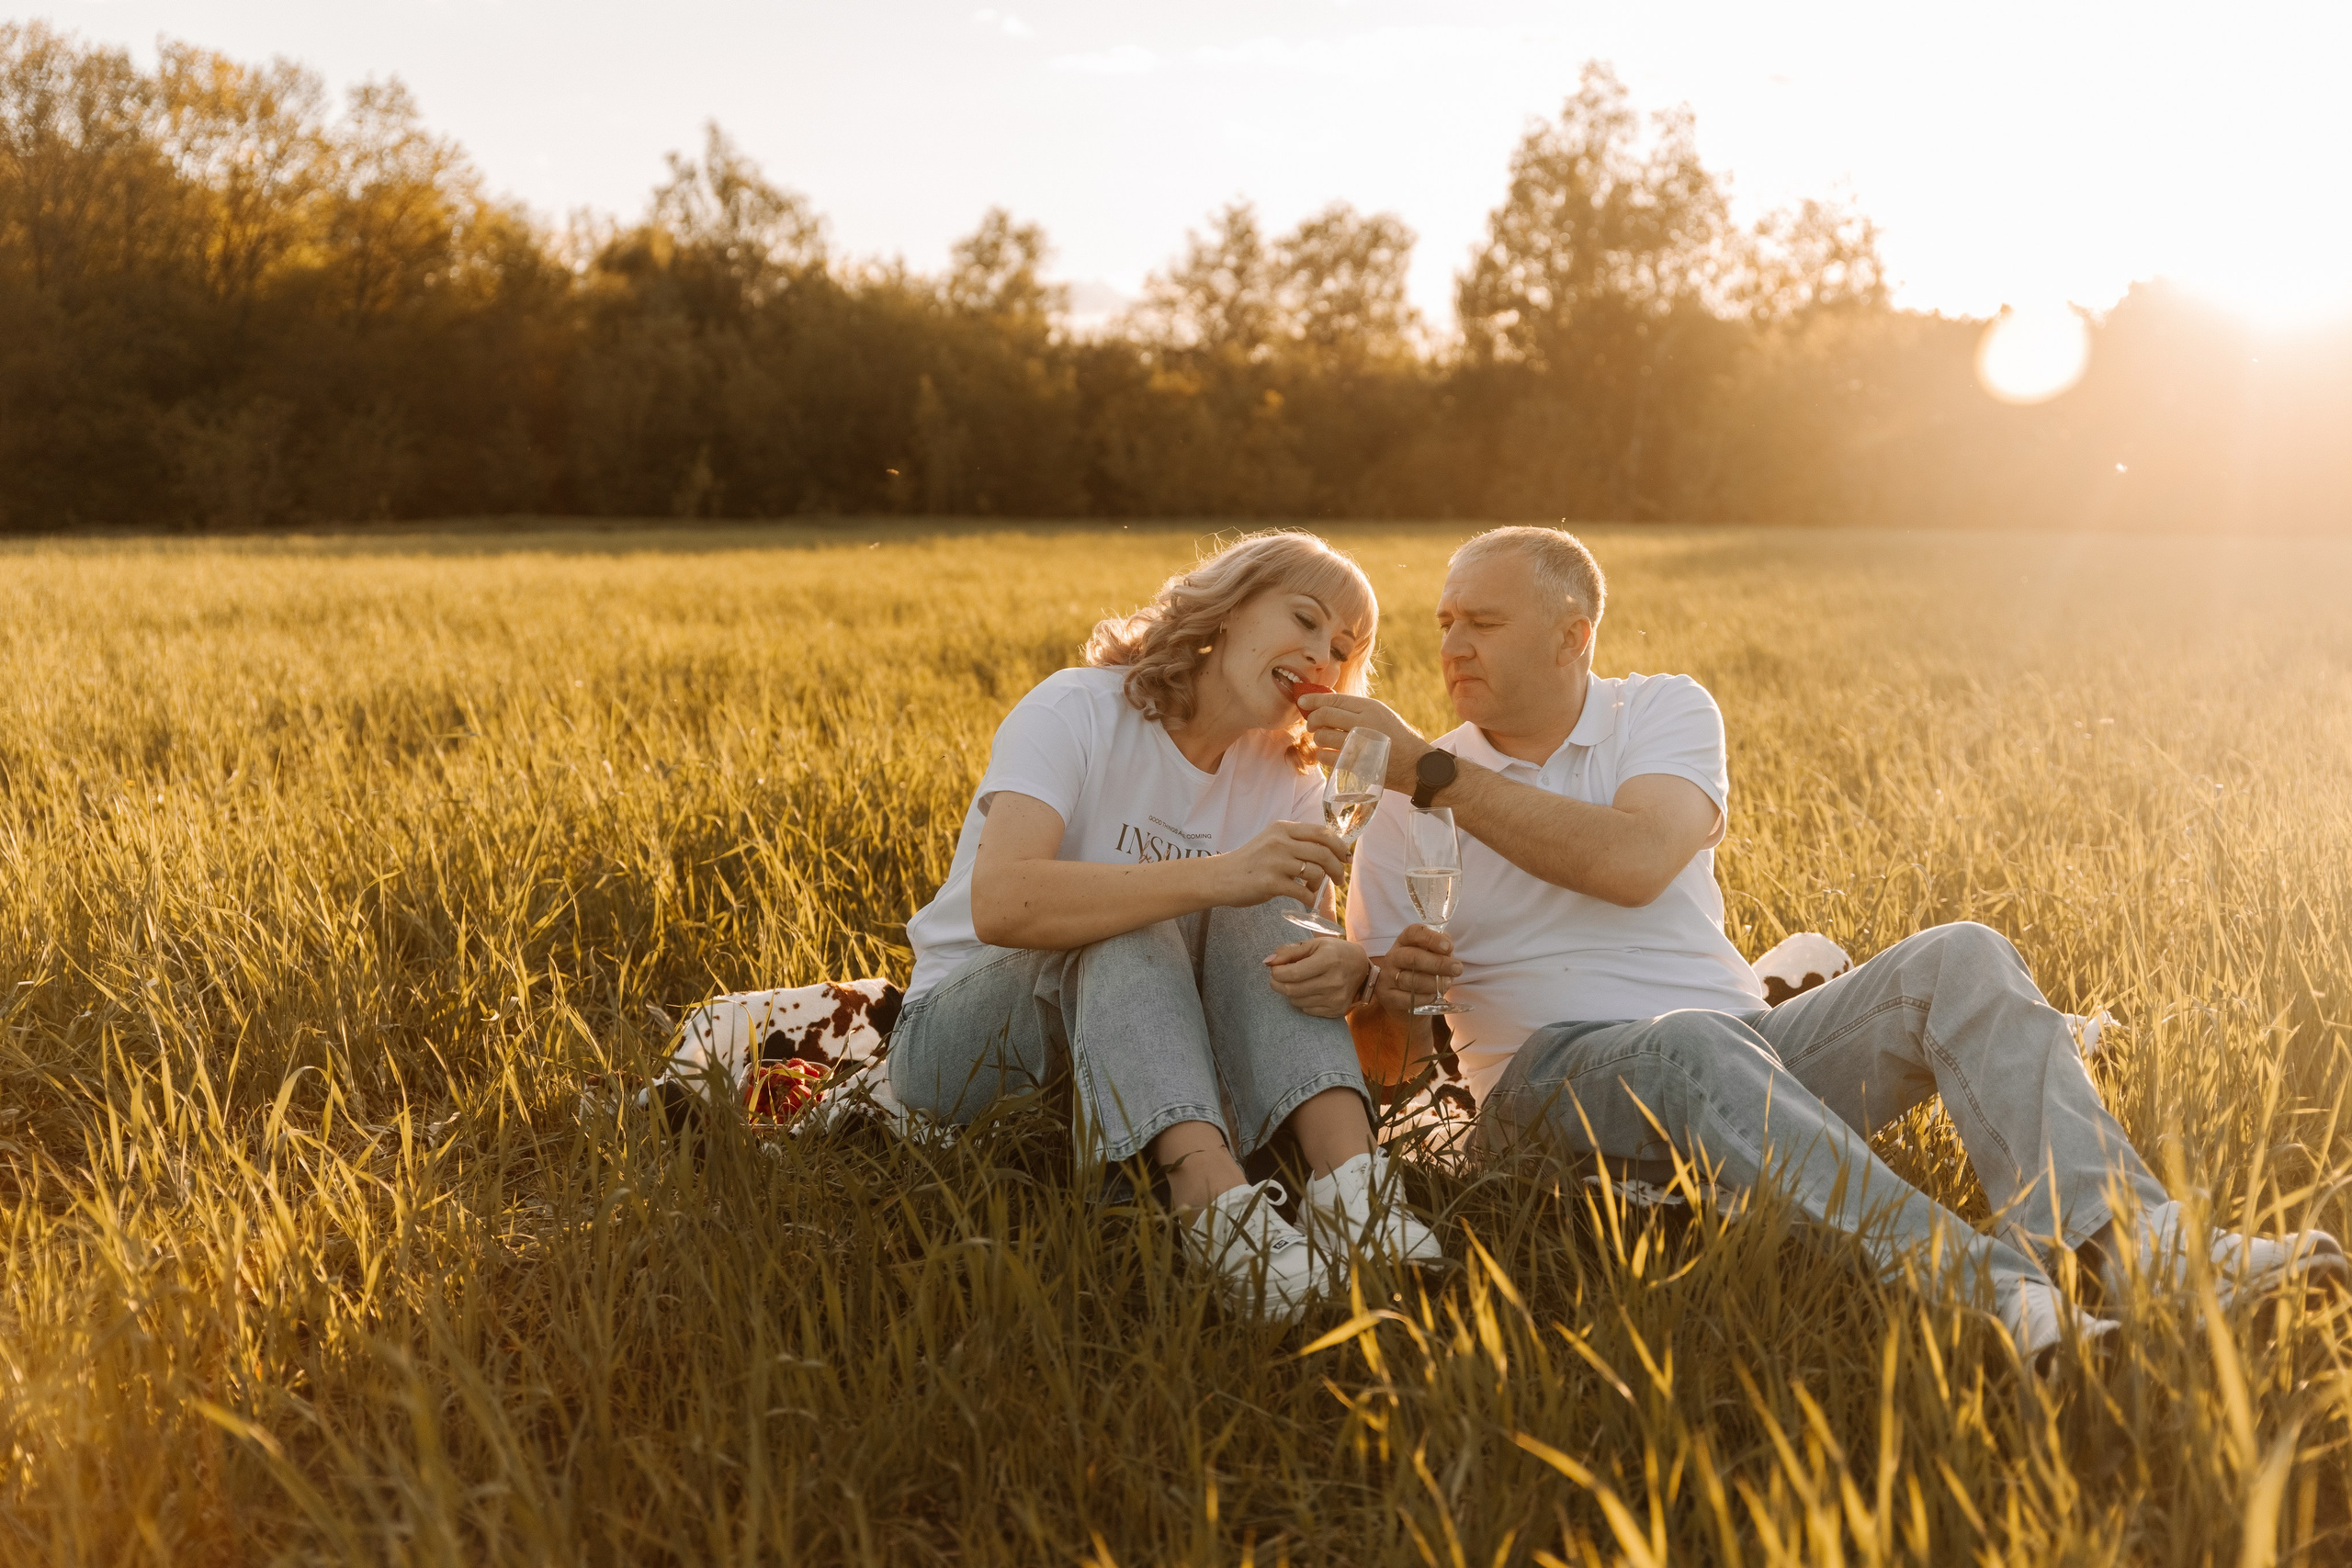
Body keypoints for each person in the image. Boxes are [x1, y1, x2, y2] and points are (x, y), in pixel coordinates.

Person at [1307, 525, 2343, 1367]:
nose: (1450, 646)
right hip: (1543, 1100)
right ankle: (1999, 1302)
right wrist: (1390, 986)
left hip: (1746, 1053)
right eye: (1443, 621)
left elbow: (1635, 861)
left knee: (1961, 955)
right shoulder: (1405, 791)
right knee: (1691, 1047)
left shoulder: (1657, 712)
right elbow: (1387, 1050)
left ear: (1572, 636)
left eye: (1482, 622)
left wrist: (1438, 777)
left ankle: (2135, 1247)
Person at [890, 531, 1441, 1323]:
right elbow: (1001, 902)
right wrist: (1219, 875)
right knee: (1131, 918)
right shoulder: (1076, 707)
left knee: (1265, 905)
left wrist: (1346, 967)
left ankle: (1351, 1193)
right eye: (1305, 618)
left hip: (1153, 1040)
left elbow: (1280, 959)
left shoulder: (1288, 777)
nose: (1323, 652)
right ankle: (1214, 1208)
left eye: (1343, 646)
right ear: (1233, 603)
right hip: (961, 1044)